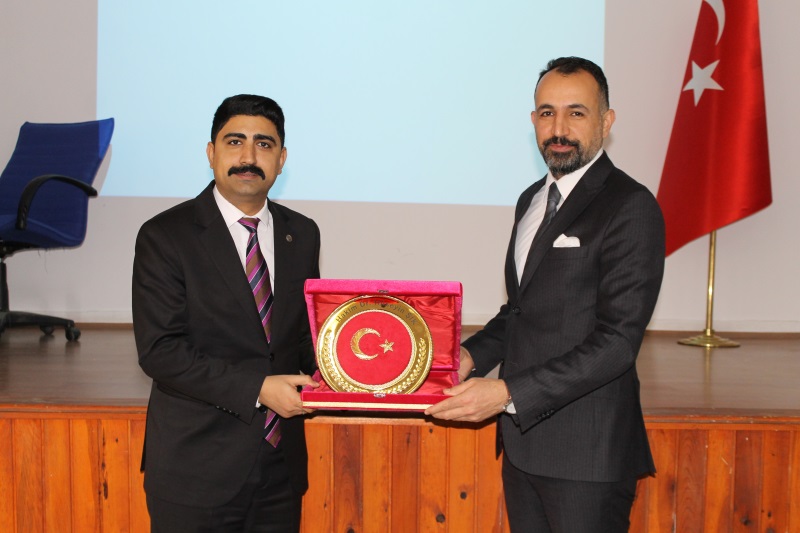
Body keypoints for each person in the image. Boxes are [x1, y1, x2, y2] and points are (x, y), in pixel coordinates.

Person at [426, 57, 665, 532]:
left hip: (587, 457)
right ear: (533, 119)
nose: (559, 129)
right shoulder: (531, 200)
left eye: (576, 113)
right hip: (523, 446)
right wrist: (466, 356)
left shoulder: (631, 205)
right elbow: (520, 311)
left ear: (606, 122)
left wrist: (507, 393)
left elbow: (618, 342)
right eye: (546, 112)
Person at [132, 94, 321, 533]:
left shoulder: (302, 233)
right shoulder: (165, 235)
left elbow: (304, 338)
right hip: (195, 471)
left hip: (280, 468)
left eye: (264, 144)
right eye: (235, 142)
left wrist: (363, 374)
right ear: (211, 153)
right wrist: (258, 389)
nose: (249, 157)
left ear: (282, 159)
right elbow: (161, 352)